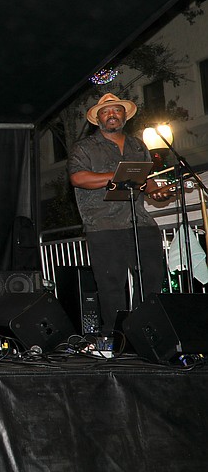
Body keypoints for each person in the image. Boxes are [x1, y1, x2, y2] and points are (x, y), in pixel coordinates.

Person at [68, 93, 171, 336]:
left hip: (139, 221)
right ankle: (116, 336)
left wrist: (157, 192)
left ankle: (144, 332)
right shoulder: (85, 147)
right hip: (103, 223)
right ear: (98, 119)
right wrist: (117, 175)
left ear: (125, 116)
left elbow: (145, 181)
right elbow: (78, 178)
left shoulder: (137, 145)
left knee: (152, 278)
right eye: (106, 112)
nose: (112, 115)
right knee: (111, 284)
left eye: (116, 110)